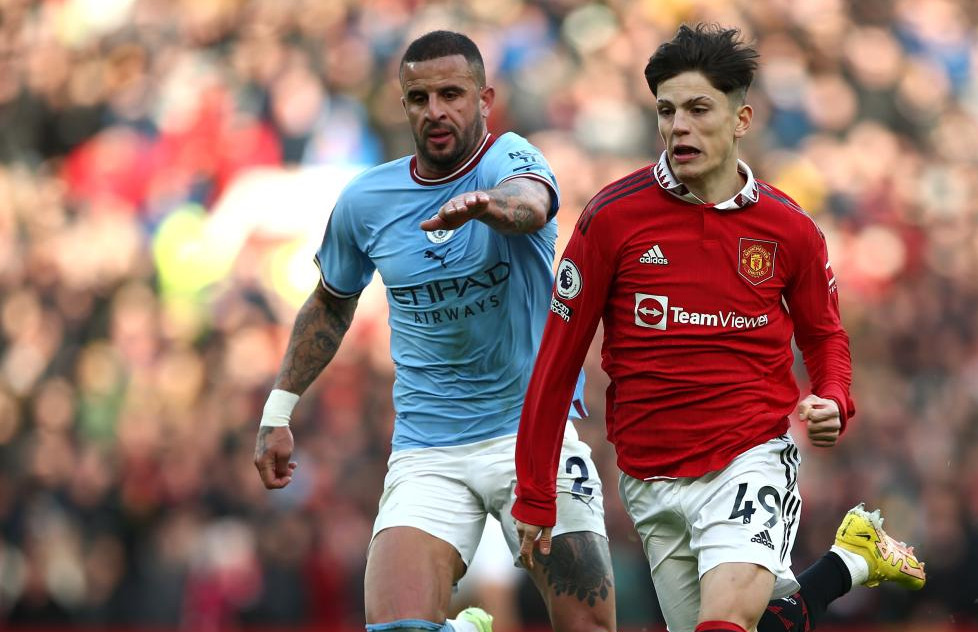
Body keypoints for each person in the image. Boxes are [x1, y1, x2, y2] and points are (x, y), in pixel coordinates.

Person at [511, 24, 925, 632]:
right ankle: (848, 561)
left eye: (699, 108)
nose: (679, 125)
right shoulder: (611, 219)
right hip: (648, 477)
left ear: (740, 119)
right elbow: (557, 359)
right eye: (667, 111)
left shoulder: (789, 229)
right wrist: (534, 489)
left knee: (726, 625)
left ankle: (844, 563)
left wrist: (835, 396)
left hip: (748, 456)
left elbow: (825, 335)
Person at [252, 30, 615, 632]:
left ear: (484, 99)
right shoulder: (366, 201)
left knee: (589, 626)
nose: (436, 111)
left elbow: (533, 205)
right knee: (397, 628)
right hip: (427, 450)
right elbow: (330, 304)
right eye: (420, 98)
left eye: (452, 94)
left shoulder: (509, 160)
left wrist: (485, 208)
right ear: (404, 106)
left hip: (532, 435)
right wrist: (278, 410)